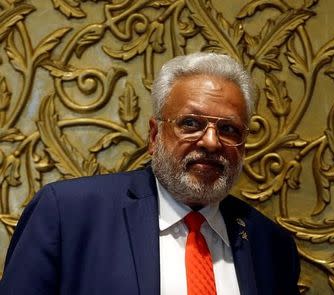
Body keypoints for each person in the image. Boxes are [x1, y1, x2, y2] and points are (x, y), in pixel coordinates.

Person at [0, 52, 300, 295]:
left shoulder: (270, 244)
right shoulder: (67, 214)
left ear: (243, 145)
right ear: (155, 135)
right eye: (191, 124)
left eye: (228, 129)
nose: (211, 142)